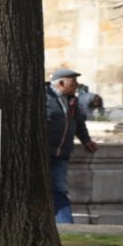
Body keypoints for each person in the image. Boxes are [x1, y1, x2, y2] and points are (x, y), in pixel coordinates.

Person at [46, 68, 99, 223]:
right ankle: (64, 223)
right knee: (56, 190)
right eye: (73, 81)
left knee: (59, 190)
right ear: (61, 83)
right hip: (44, 153)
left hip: (60, 154)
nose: (77, 84)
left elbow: (78, 122)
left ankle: (65, 224)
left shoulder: (72, 100)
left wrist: (86, 140)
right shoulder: (44, 97)